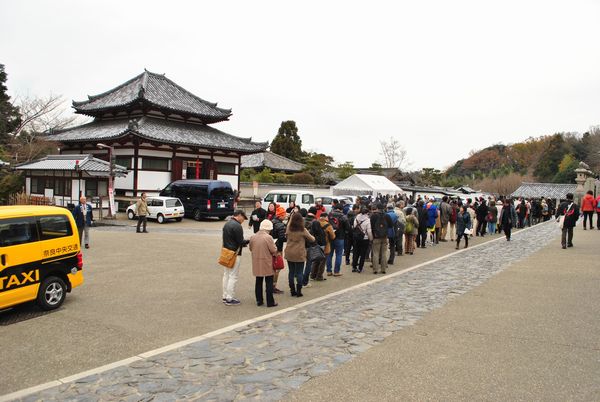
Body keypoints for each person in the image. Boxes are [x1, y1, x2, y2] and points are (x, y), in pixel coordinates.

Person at [221, 209, 248, 306]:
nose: (243, 220)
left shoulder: (227, 224)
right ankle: (229, 297)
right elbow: (240, 241)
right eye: (243, 218)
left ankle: (225, 296)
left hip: (226, 251)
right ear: (239, 215)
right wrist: (248, 241)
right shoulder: (237, 226)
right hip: (235, 253)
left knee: (226, 274)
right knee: (233, 276)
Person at [249, 219, 278, 307]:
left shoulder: (253, 237)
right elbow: (273, 250)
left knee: (258, 281)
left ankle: (259, 300)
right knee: (269, 282)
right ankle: (270, 302)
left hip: (256, 261)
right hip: (267, 262)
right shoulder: (268, 237)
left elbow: (251, 248)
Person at [284, 212, 315, 297]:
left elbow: (287, 230)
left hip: (289, 252)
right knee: (299, 272)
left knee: (291, 272)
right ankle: (299, 291)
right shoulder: (302, 230)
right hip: (299, 253)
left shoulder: (289, 229)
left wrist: (290, 218)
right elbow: (312, 239)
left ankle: (292, 290)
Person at [311, 213, 335, 281]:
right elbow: (333, 237)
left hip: (315, 244)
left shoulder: (315, 222)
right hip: (325, 245)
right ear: (326, 217)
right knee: (322, 261)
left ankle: (312, 275)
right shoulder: (328, 225)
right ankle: (319, 276)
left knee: (316, 260)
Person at [326, 205, 350, 276]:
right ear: (341, 209)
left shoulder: (330, 215)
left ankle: (329, 271)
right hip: (340, 237)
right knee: (339, 255)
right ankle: (336, 271)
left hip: (330, 236)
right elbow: (348, 228)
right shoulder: (343, 217)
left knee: (329, 254)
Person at [370, 203, 393, 274]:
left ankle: (375, 269)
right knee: (384, 253)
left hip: (376, 236)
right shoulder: (387, 216)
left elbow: (371, 226)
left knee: (375, 253)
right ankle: (383, 269)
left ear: (377, 208)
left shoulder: (373, 216)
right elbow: (391, 225)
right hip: (384, 236)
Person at [352, 206, 372, 273]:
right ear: (367, 213)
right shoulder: (367, 220)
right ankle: (360, 268)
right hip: (364, 238)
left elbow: (354, 227)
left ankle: (354, 267)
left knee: (356, 252)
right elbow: (369, 231)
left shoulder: (356, 218)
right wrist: (371, 238)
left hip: (356, 237)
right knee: (363, 254)